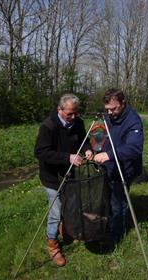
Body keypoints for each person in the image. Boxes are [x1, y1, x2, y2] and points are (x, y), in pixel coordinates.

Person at [34, 94, 93, 266]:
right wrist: (67, 157)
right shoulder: (48, 126)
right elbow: (40, 153)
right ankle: (52, 245)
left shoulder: (78, 123)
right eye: (69, 114)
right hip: (52, 177)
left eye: (76, 113)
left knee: (71, 205)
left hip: (70, 174)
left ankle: (66, 231)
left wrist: (88, 149)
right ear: (59, 110)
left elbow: (84, 140)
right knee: (55, 211)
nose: (73, 117)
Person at [94, 88, 144, 242]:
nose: (110, 113)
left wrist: (108, 155)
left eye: (113, 109)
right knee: (107, 199)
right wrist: (94, 148)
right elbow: (100, 135)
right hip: (108, 167)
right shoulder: (108, 117)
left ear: (123, 103)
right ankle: (109, 224)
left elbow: (134, 148)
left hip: (124, 170)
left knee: (118, 204)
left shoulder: (133, 121)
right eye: (107, 109)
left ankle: (117, 235)